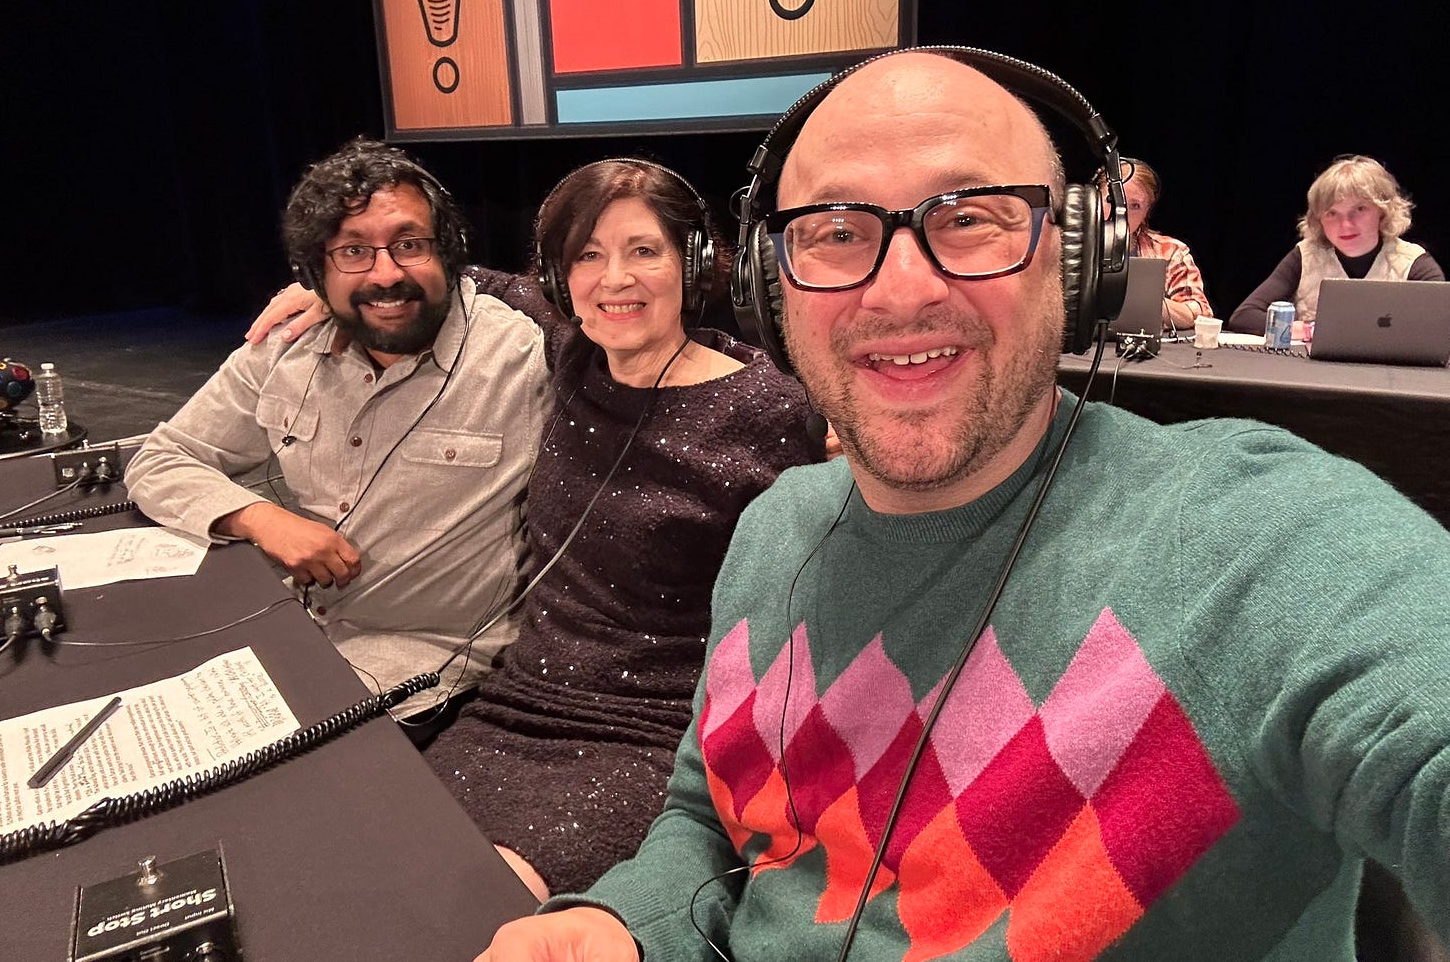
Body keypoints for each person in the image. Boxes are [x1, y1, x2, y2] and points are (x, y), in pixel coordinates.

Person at [475, 51, 1450, 962]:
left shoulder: (1262, 538)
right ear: (773, 289)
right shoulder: (772, 528)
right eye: (836, 232)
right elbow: (709, 819)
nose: (900, 290)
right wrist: (619, 923)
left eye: (969, 218)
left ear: (1078, 262)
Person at [250, 158, 824, 901]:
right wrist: (333, 285)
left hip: (654, 733)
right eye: (587, 255)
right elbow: (471, 278)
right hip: (513, 703)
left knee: (472, 902)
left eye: (643, 251)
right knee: (368, 862)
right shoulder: (575, 351)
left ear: (695, 262)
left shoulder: (773, 412)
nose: (613, 278)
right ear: (559, 280)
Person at [126, 139, 550, 722]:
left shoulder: (524, 355)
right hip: (287, 629)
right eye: (353, 251)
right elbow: (161, 459)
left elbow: (614, 316)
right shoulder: (284, 348)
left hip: (424, 669)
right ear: (315, 273)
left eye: (409, 245)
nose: (386, 274)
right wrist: (260, 519)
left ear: (446, 253)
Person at [1229, 154, 1444, 336]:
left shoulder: (1415, 263)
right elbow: (1245, 315)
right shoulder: (1305, 255)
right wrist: (1306, 330)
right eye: (1332, 213)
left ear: (1383, 211)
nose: (1345, 224)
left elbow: (1441, 327)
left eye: (1359, 209)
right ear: (1318, 220)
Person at [1115, 157, 1213, 330]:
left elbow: (1200, 313)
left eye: (1135, 206)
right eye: (1111, 200)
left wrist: (1146, 304)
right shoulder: (1066, 247)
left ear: (1147, 213)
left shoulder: (1171, 252)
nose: (1120, 212)